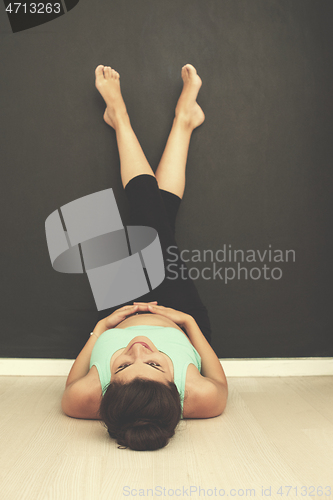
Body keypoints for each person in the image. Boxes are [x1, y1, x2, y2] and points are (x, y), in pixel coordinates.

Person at [61, 63, 228, 451]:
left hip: (122, 306)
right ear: (174, 386)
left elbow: (71, 386)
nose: (138, 348)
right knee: (151, 224)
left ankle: (177, 121)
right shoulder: (200, 399)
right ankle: (124, 118)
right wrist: (184, 320)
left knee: (154, 222)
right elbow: (220, 384)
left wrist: (104, 329)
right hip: (180, 312)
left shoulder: (86, 401)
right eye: (154, 364)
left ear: (107, 394)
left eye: (121, 365)